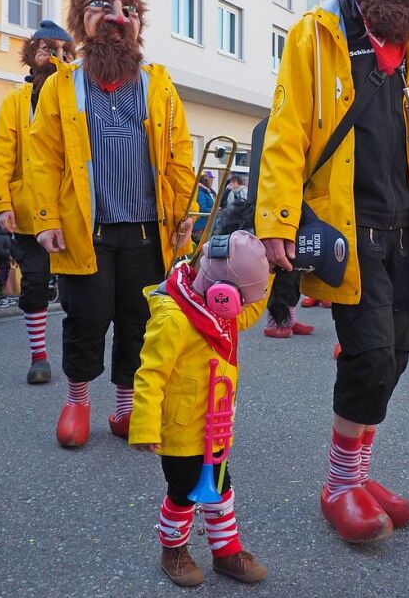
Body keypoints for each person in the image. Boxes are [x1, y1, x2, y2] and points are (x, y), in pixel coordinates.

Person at [256, 0, 409, 543]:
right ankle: (339, 483)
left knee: (396, 355)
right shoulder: (319, 33)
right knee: (367, 357)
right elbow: (286, 133)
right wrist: (277, 222)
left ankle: (359, 470)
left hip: (405, 226)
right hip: (348, 228)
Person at [30, 0, 195, 447]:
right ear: (81, 20)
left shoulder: (158, 86)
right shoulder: (63, 87)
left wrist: (184, 211)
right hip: (88, 231)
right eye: (103, 6)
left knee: (139, 321)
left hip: (147, 231)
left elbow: (179, 155)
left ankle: (126, 409)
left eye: (129, 9)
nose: (118, 17)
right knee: (85, 317)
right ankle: (78, 401)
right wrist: (46, 221)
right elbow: (42, 158)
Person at [130, 230, 271, 587]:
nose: (242, 309)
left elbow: (248, 313)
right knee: (182, 494)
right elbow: (150, 375)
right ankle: (172, 548)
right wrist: (145, 426)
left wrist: (273, 271)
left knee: (222, 490)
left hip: (216, 427)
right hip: (182, 431)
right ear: (223, 294)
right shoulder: (175, 318)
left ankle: (226, 551)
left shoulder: (217, 310)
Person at [0, 19, 75, 383]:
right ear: (31, 56)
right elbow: (3, 153)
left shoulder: (81, 96)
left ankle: (77, 359)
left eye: (61, 51)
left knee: (79, 291)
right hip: (29, 213)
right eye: (46, 50)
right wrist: (1, 203)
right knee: (36, 283)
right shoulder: (15, 101)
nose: (54, 57)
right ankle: (39, 356)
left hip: (75, 210)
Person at [191, 172, 216, 245]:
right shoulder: (201, 192)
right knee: (202, 249)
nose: (211, 181)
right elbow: (202, 208)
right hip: (201, 227)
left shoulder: (208, 192)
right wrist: (215, 211)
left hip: (206, 225)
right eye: (209, 179)